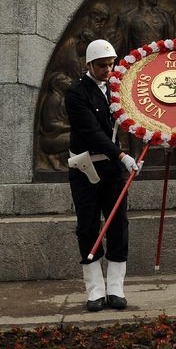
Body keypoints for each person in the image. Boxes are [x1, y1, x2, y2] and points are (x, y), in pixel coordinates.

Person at [65, 39, 140, 312]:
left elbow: (135, 119)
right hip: (86, 168)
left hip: (112, 170)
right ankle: (95, 289)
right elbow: (91, 132)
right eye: (102, 65)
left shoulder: (117, 90)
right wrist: (122, 155)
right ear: (89, 64)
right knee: (87, 226)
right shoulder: (76, 93)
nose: (108, 70)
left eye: (111, 64)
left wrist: (142, 148)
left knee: (118, 224)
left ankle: (116, 287)